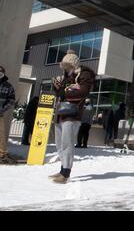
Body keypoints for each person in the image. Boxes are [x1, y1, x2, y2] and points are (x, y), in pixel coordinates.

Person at [49, 50, 95, 184]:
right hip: (60, 114)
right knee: (59, 144)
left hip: (72, 115)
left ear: (73, 65)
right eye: (64, 65)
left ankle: (66, 173)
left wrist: (65, 91)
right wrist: (57, 88)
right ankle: (62, 168)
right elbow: (61, 94)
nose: (65, 68)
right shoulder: (65, 77)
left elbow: (84, 91)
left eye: (67, 65)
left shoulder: (84, 74)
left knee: (67, 144)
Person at [0, 66, 16, 165]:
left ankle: (2, 154)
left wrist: (2, 108)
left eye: (1, 73)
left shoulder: (8, 86)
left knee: (1, 135)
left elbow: (11, 100)